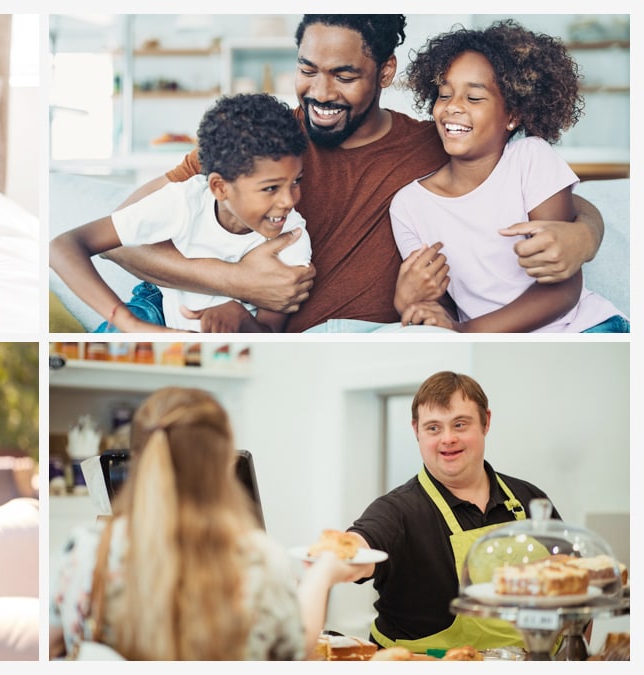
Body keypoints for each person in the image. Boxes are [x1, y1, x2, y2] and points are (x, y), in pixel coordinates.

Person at [101, 15, 604, 333]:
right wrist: (238, 281)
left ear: (385, 72)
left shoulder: (437, 139)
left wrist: (584, 236)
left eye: (344, 75)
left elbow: (531, 182)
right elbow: (117, 236)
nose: (319, 92)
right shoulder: (260, 140)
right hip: (250, 332)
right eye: (307, 69)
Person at [49, 387, 353, 660]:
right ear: (225, 462)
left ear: (139, 457)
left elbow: (52, 644)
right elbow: (294, 648)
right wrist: (323, 574)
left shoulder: (85, 548)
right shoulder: (260, 558)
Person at [391, 21, 628, 333]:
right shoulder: (408, 206)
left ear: (513, 116)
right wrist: (413, 304)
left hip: (583, 329)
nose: (453, 108)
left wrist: (467, 332)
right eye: (444, 94)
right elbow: (443, 304)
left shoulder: (531, 158)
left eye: (474, 98)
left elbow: (562, 289)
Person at [51, 94, 311, 333]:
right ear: (220, 187)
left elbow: (269, 333)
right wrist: (129, 322)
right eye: (270, 188)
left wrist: (242, 318)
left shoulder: (292, 237)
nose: (289, 200)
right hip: (157, 313)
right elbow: (62, 247)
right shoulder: (184, 202)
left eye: (296, 181)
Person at [340, 371, 561, 652]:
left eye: (459, 424)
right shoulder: (397, 510)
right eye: (433, 428)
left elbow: (578, 589)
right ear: (416, 430)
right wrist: (338, 558)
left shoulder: (530, 498)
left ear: (486, 422)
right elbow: (361, 546)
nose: (448, 439)